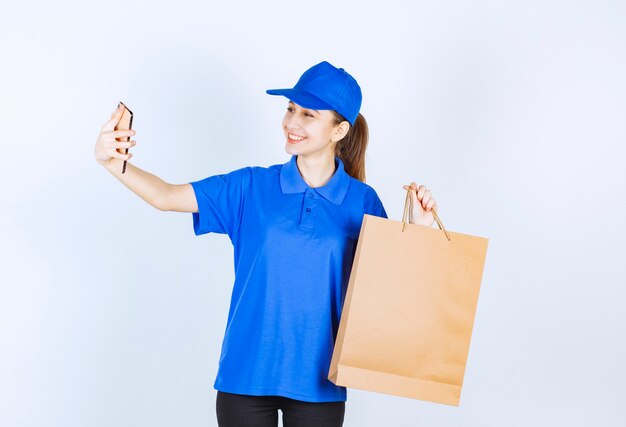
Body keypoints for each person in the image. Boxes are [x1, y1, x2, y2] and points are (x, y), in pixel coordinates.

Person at [94, 60, 438, 427]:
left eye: (308, 114)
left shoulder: (362, 202)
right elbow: (166, 196)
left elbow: (386, 294)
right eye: (290, 109)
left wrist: (418, 233)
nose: (292, 123)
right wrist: (114, 164)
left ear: (339, 130)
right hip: (245, 378)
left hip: (319, 384)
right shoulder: (250, 187)